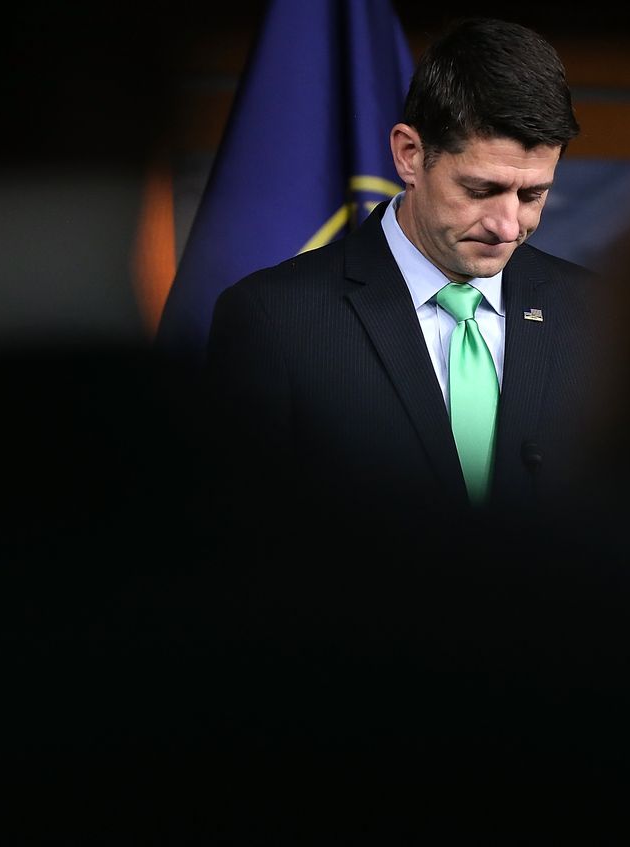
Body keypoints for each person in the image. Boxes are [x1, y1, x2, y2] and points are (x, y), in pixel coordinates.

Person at [204, 16, 595, 530]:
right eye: (480, 190)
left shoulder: (599, 318)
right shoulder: (273, 320)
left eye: (532, 195)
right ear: (409, 155)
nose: (507, 226)